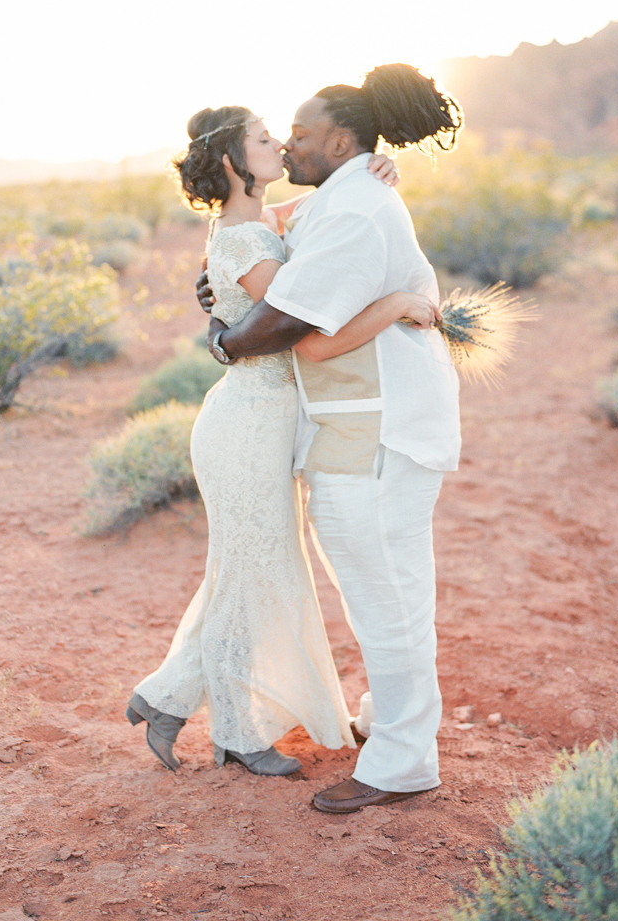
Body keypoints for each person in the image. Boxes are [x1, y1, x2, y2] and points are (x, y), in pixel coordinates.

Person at [126, 104, 438, 777]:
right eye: (268, 139)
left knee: (246, 571)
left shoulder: (264, 220)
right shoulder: (243, 235)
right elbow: (303, 328)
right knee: (257, 573)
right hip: (247, 425)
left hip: (271, 423)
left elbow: (323, 213)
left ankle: (166, 697)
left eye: (288, 136)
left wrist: (375, 166)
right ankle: (239, 733)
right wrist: (396, 305)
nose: (282, 146)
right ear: (237, 163)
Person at [202, 64, 463, 811]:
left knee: (388, 596)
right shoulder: (345, 198)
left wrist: (225, 337)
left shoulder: (352, 210)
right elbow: (268, 239)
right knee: (388, 590)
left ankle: (401, 765)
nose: (289, 142)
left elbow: (286, 331)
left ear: (342, 139)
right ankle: (390, 724)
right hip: (364, 428)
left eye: (304, 132)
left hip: (374, 434)